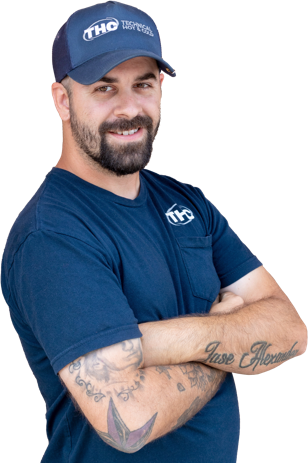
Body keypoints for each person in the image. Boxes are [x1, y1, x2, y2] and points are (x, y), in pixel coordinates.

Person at [1, 1, 307, 462]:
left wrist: (156, 343)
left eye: (143, 84)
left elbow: (291, 332)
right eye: (104, 88)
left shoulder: (188, 203)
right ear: (62, 100)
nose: (129, 108)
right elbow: (127, 421)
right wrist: (229, 336)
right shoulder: (53, 234)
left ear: (161, 86)